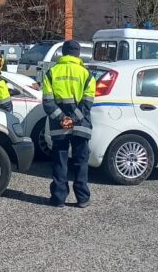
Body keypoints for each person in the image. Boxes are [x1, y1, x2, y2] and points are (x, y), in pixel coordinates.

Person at [41, 40, 96, 208]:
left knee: (60, 161)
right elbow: (87, 101)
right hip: (81, 124)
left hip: (59, 126)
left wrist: (62, 118)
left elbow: (48, 102)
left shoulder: (52, 72)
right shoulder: (86, 74)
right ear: (78, 53)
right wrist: (74, 118)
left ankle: (58, 198)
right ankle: (82, 198)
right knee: (80, 162)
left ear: (63, 53)